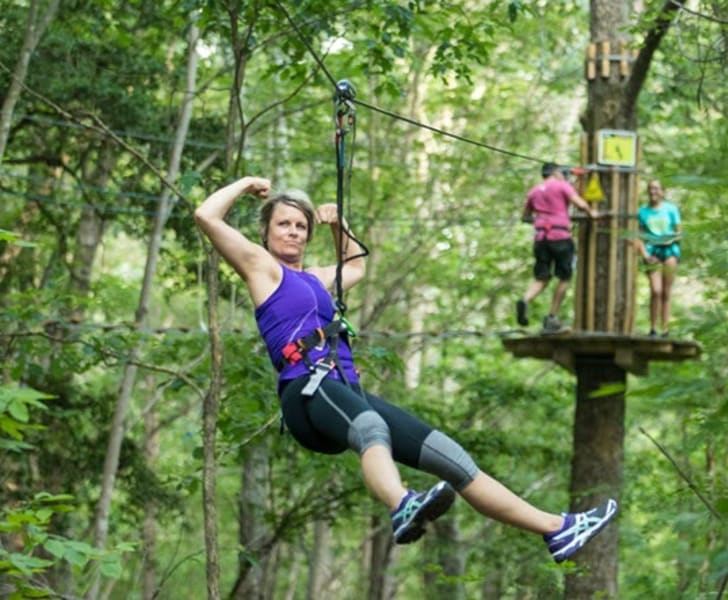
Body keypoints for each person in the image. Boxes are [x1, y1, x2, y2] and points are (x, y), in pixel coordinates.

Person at [194, 176, 616, 562]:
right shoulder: (260, 267)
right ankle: (402, 505)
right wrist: (247, 184)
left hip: (344, 389)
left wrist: (339, 224)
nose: (293, 232)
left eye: (301, 226)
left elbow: (356, 265)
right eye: (284, 224)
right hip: (305, 389)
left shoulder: (317, 278)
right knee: (370, 428)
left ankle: (557, 529)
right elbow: (205, 215)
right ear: (266, 231)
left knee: (452, 458)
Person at [516, 162, 597, 333]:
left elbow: (525, 216)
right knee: (565, 276)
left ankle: (525, 299)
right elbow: (580, 204)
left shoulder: (534, 191)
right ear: (555, 173)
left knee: (542, 278)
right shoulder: (562, 186)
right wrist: (592, 213)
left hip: (541, 239)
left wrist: (541, 217)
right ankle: (552, 316)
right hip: (560, 237)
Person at [633, 179, 681, 336]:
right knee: (656, 290)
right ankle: (653, 328)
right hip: (651, 251)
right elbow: (638, 236)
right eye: (650, 188)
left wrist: (669, 240)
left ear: (662, 191)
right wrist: (645, 255)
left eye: (656, 188)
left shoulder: (671, 209)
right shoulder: (642, 212)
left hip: (669, 251)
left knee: (666, 292)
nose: (653, 191)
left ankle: (665, 329)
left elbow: (678, 232)